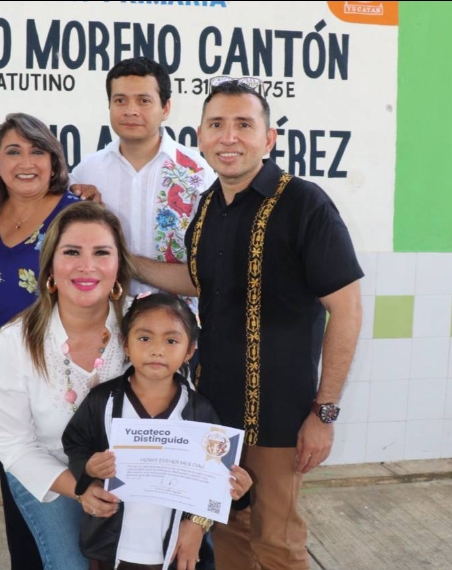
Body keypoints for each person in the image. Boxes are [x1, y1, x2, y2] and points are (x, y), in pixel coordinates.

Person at [180, 78, 364, 569]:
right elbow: (199, 280)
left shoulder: (304, 203)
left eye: (244, 124)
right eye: (216, 125)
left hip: (280, 418)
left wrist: (324, 413)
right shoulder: (207, 206)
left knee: (276, 544)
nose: (229, 137)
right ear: (200, 137)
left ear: (269, 138)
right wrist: (121, 261)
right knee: (228, 533)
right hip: (214, 414)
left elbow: (347, 309)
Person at [0, 201, 134, 569]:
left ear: (118, 266)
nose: (87, 266)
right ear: (50, 266)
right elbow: (12, 443)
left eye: (102, 253)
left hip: (131, 474)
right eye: (72, 252)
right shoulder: (16, 342)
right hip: (51, 471)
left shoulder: (145, 327)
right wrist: (80, 489)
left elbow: (183, 416)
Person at [63, 292, 254, 570]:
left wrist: (233, 492)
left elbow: (213, 483)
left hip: (174, 550)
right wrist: (89, 467)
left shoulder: (200, 412)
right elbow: (75, 444)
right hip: (111, 547)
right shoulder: (103, 401)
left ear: (190, 351)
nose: (157, 350)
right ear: (125, 344)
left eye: (171, 341)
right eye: (144, 338)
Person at [0, 112, 83, 570]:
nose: (26, 162)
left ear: (54, 161)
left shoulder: (75, 214)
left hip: (65, 377)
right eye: (13, 151)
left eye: (38, 151)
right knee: (22, 500)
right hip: (7, 377)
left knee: (74, 514)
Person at [69, 56, 216, 298]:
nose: (131, 110)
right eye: (120, 100)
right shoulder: (86, 172)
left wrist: (127, 262)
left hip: (178, 317)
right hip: (103, 315)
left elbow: (211, 272)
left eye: (144, 101)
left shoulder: (198, 174)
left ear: (165, 109)